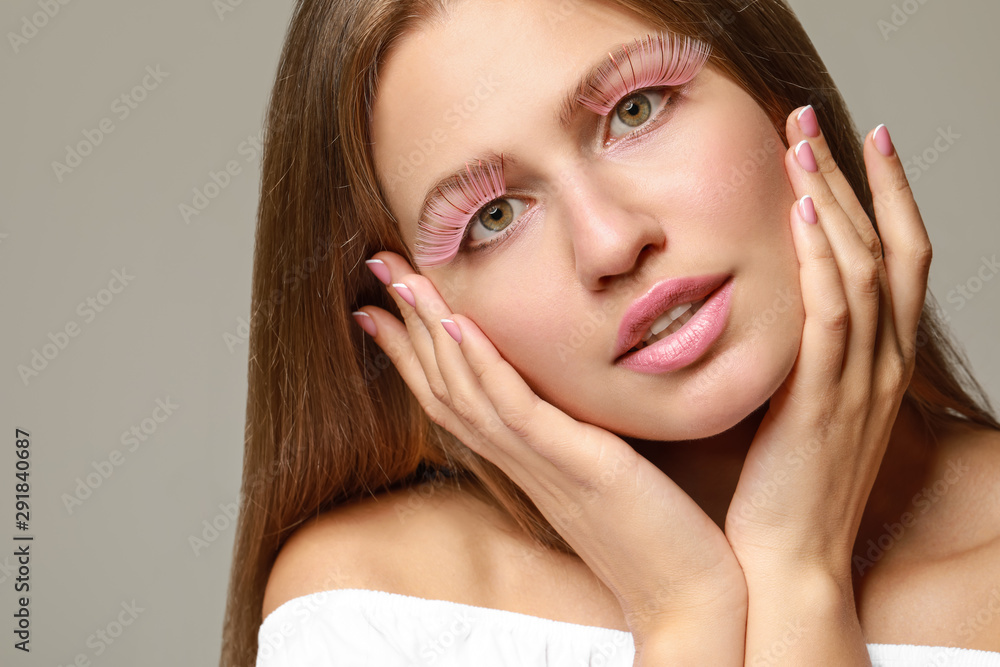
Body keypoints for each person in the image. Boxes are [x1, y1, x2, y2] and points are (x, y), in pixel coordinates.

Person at [220, 0, 1000, 664]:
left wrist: (800, 575)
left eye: (636, 109)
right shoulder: (373, 611)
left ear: (773, 95)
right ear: (415, 314)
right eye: (493, 218)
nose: (610, 242)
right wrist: (683, 609)